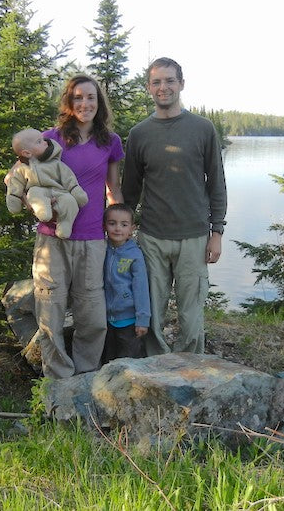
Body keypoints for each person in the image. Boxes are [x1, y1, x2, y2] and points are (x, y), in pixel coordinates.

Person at [122, 57, 227, 356]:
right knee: (152, 309)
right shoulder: (139, 134)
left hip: (194, 236)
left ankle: (192, 365)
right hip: (152, 236)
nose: (163, 87)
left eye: (169, 80)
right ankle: (157, 366)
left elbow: (216, 183)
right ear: (148, 88)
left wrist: (216, 231)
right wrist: (123, 232)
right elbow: (130, 189)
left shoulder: (203, 129)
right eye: (156, 82)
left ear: (181, 83)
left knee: (191, 312)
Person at [33, 75, 124, 379]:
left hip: (92, 239)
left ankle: (85, 378)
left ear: (100, 103)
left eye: (91, 98)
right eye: (78, 98)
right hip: (52, 240)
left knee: (93, 317)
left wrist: (121, 227)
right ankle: (57, 382)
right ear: (69, 103)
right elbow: (21, 178)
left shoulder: (110, 142)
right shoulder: (50, 139)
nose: (85, 104)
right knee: (51, 312)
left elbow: (113, 189)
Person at [5, 128, 88, 239]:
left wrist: (76, 192)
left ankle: (65, 224)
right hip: (37, 190)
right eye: (39, 142)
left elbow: (69, 179)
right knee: (34, 194)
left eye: (43, 139)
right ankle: (42, 210)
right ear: (27, 153)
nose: (45, 142)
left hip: (59, 191)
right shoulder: (24, 168)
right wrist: (14, 198)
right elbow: (15, 184)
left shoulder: (56, 164)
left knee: (70, 202)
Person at [101, 203, 150, 364]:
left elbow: (141, 288)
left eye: (124, 224)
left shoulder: (134, 255)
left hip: (129, 320)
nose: (117, 229)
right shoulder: (102, 249)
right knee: (109, 358)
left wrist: (142, 320)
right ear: (105, 225)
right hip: (106, 318)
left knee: (129, 360)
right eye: (112, 223)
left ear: (132, 229)